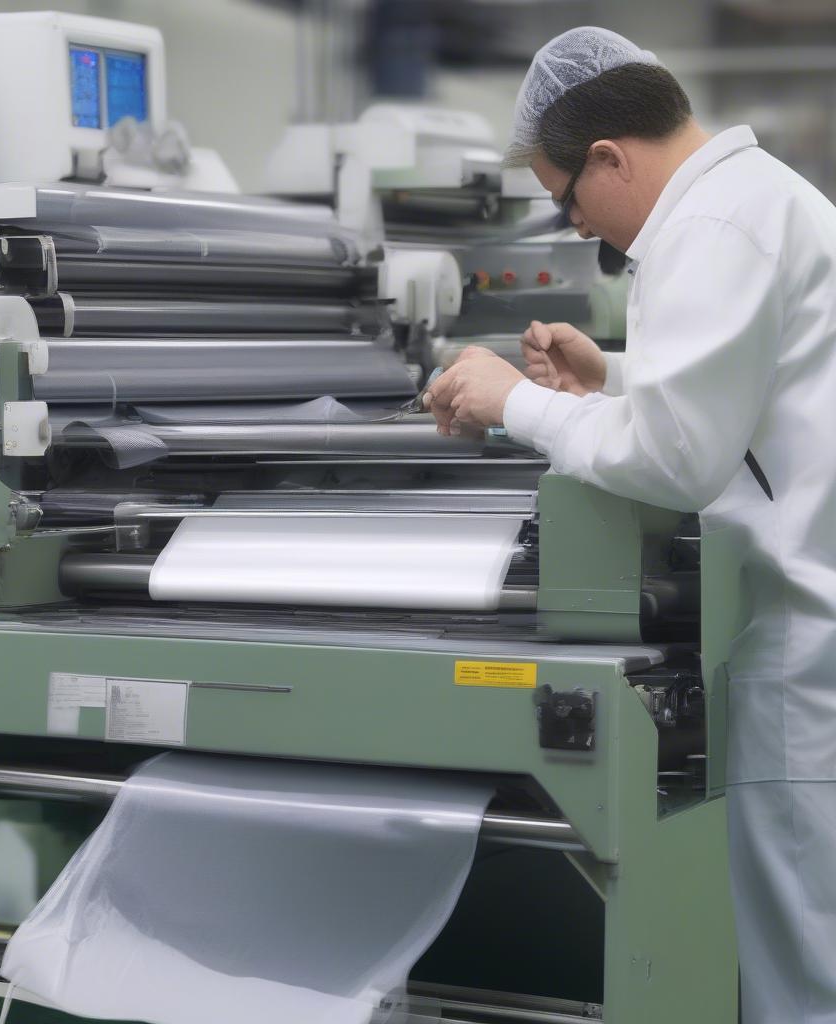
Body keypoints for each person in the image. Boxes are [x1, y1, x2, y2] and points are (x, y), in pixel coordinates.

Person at [425, 26, 836, 1024]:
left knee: (801, 986)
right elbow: (747, 411)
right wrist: (611, 379)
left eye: (568, 199)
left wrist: (509, 402)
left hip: (796, 660)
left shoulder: (713, 227)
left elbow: (679, 458)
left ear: (611, 156)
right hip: (798, 636)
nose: (579, 228)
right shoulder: (762, 203)